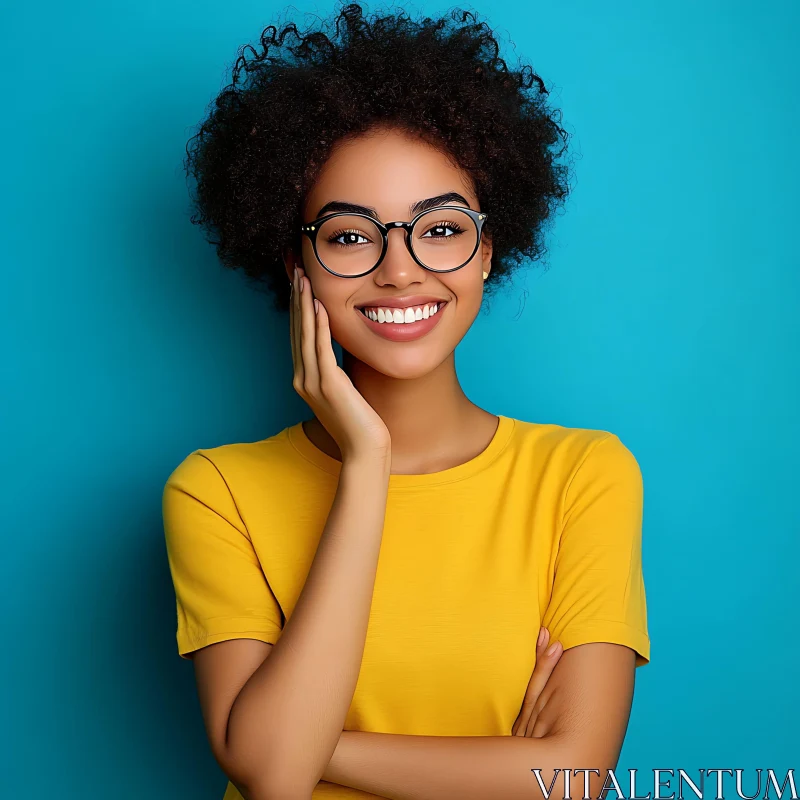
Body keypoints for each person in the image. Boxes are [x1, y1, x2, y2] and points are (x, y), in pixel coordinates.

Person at [162, 3, 651, 798]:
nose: (400, 270)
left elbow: (571, 778)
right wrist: (366, 462)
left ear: (488, 251)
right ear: (299, 264)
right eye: (352, 236)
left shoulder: (582, 477)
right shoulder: (216, 494)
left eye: (442, 229)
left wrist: (308, 743)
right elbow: (273, 782)